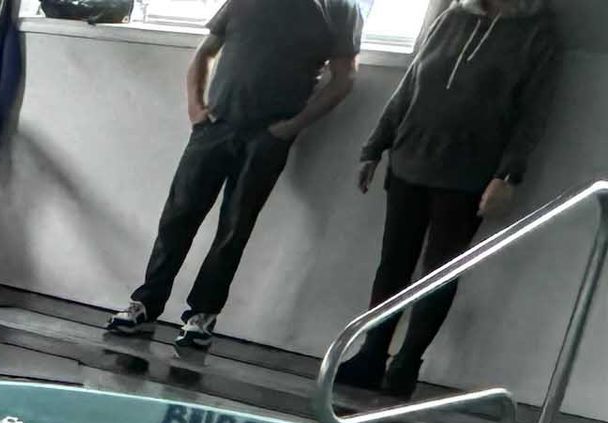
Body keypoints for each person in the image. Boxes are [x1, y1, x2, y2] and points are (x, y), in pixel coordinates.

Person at [107, 0, 363, 354]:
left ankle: (202, 316)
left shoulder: (340, 8)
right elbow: (206, 52)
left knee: (234, 227)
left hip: (267, 137)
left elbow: (345, 77)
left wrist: (291, 127)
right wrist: (196, 108)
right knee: (178, 217)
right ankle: (146, 303)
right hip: (215, 127)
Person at [336, 0, 560, 399]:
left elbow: (533, 116)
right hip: (409, 160)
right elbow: (410, 85)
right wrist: (374, 146)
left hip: (469, 174)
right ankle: (371, 354)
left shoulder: (538, 35)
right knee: (393, 264)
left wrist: (507, 175)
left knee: (438, 271)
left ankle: (405, 364)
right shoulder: (451, 18)